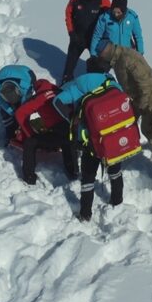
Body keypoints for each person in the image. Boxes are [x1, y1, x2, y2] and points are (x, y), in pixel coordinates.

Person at [53, 72, 125, 222]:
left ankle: (85, 214)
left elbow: (57, 101)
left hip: (90, 141)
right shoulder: (111, 83)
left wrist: (71, 118)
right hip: (112, 137)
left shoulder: (77, 86)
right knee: (115, 172)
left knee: (88, 178)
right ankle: (117, 202)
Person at [96, 38, 152, 151]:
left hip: (150, 93)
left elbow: (145, 81)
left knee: (147, 126)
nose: (101, 57)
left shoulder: (127, 58)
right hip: (137, 95)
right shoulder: (116, 58)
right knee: (128, 119)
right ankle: (129, 144)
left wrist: (144, 102)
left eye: (101, 55)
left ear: (106, 51)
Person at [14, 79, 78, 184]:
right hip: (67, 132)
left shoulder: (39, 97)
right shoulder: (61, 93)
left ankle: (29, 177)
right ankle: (73, 172)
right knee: (68, 141)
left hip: (50, 133)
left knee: (29, 143)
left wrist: (30, 133)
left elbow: (19, 113)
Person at [62, 0, 111, 84]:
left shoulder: (103, 0)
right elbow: (68, 12)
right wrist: (71, 32)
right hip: (77, 37)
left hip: (94, 39)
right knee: (70, 64)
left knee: (98, 65)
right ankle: (66, 82)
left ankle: (95, 84)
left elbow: (110, 19)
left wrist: (106, 37)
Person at [0, 64, 37, 145]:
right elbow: (2, 104)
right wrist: (12, 112)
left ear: (18, 91)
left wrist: (20, 116)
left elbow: (25, 108)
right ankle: (10, 134)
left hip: (27, 74)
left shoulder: (26, 87)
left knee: (23, 109)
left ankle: (25, 130)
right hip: (7, 71)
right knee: (5, 112)